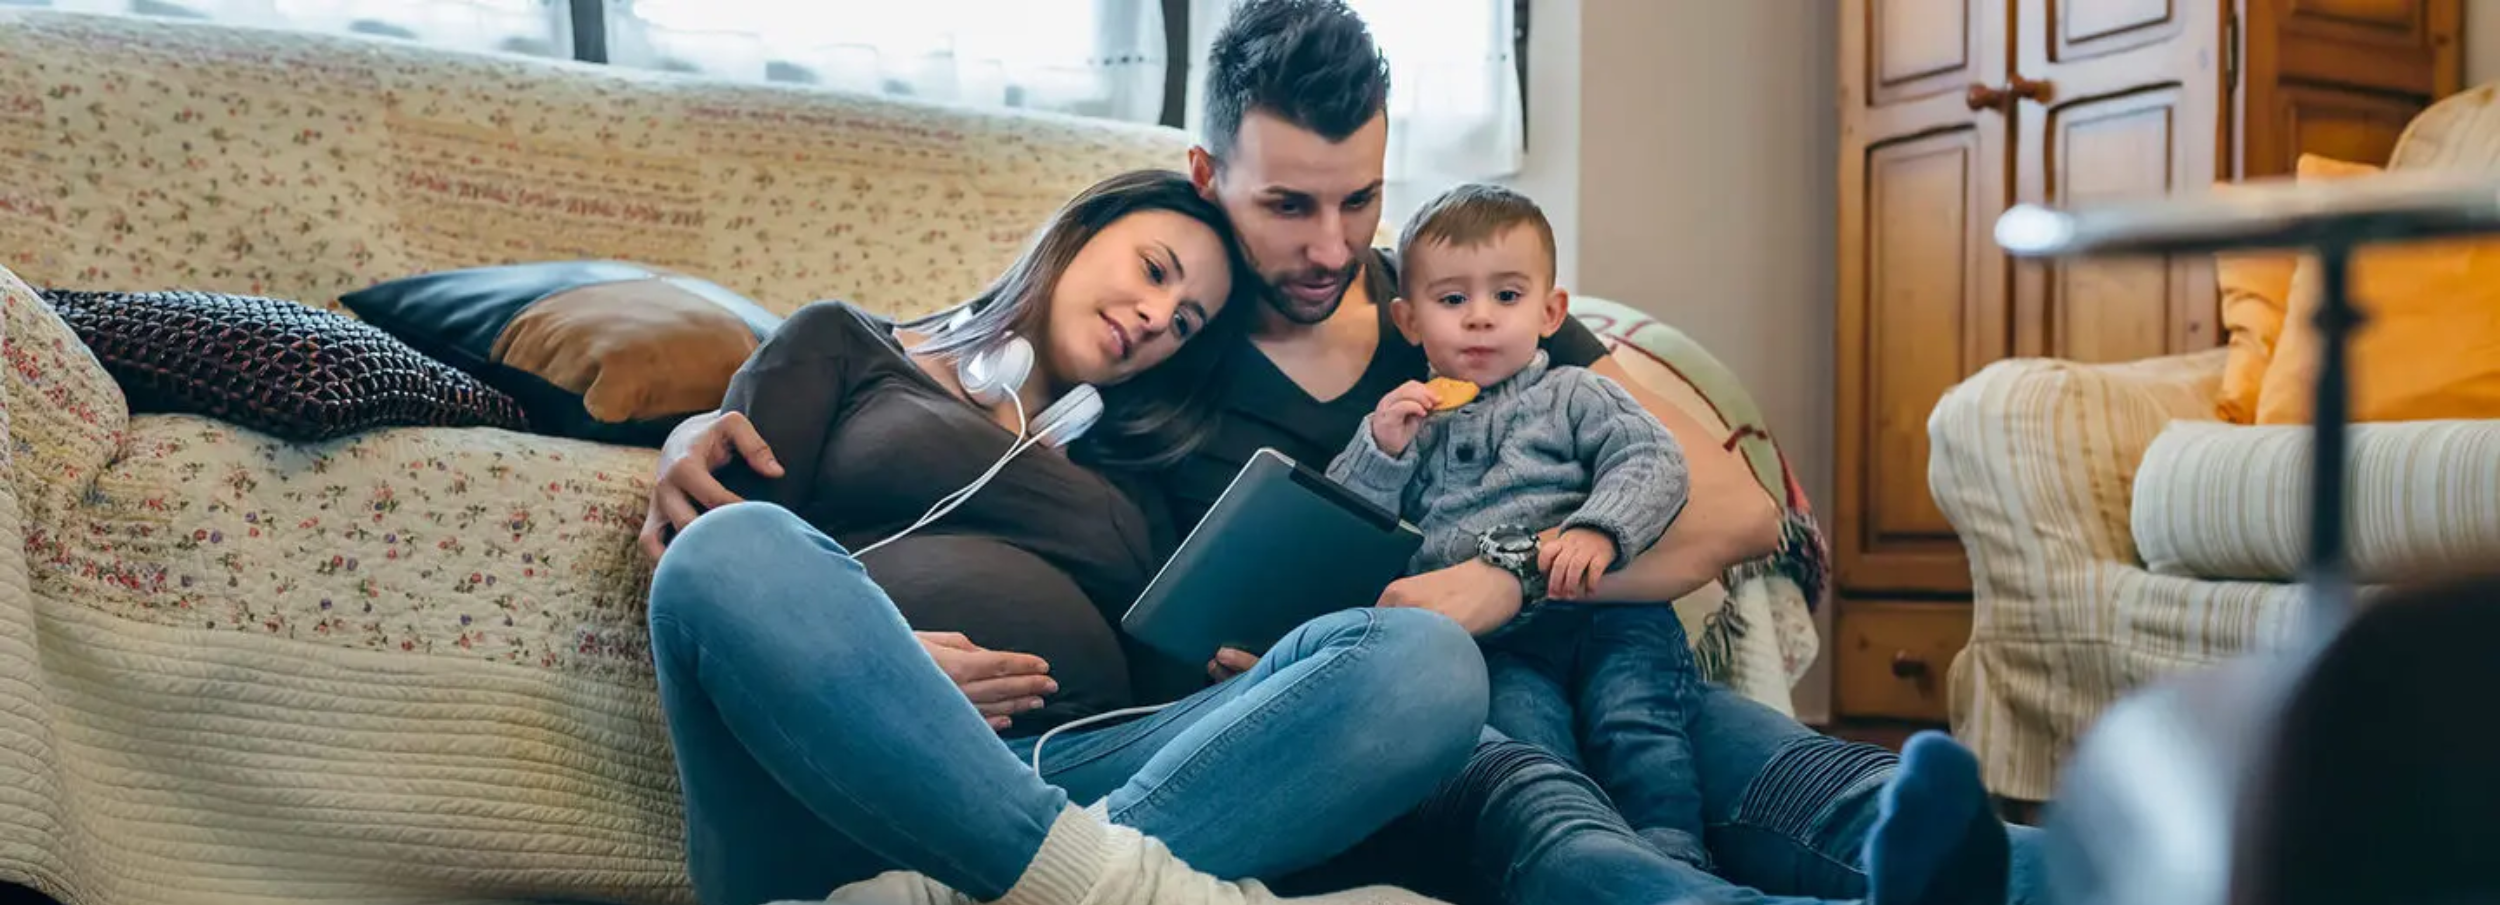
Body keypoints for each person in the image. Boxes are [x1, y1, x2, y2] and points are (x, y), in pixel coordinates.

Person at [644, 2, 2047, 904]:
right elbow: (939, 454)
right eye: (1287, 206)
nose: (1329, 247)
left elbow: (1735, 506)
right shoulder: (1152, 379)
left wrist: (1505, 580)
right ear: (1207, 181)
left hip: (1542, 647)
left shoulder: (1459, 314)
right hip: (1348, 717)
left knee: (1795, 773)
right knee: (1450, 708)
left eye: (1359, 198)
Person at [648, 169, 1489, 905]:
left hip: (1088, 777)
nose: (1159, 315)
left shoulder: (1142, 469)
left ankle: (988, 883)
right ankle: (1088, 884)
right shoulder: (844, 345)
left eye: (1187, 322)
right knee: (729, 552)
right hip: (841, 780)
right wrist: (883, 664)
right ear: (1080, 230)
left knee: (1427, 662)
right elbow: (725, 568)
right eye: (1154, 270)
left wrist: (1255, 674)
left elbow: (1170, 698)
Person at [1322, 181, 1712, 871]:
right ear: (1410, 321)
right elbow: (1343, 527)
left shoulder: (1574, 391)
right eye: (1451, 300)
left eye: (1506, 296)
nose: (1479, 318)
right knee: (1530, 744)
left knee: (1637, 729)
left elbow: (1654, 459)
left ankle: (1674, 855)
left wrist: (1596, 530)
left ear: (1551, 310)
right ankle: (1580, 857)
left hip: (1609, 613)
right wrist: (1379, 449)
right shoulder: (1410, 421)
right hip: (1499, 644)